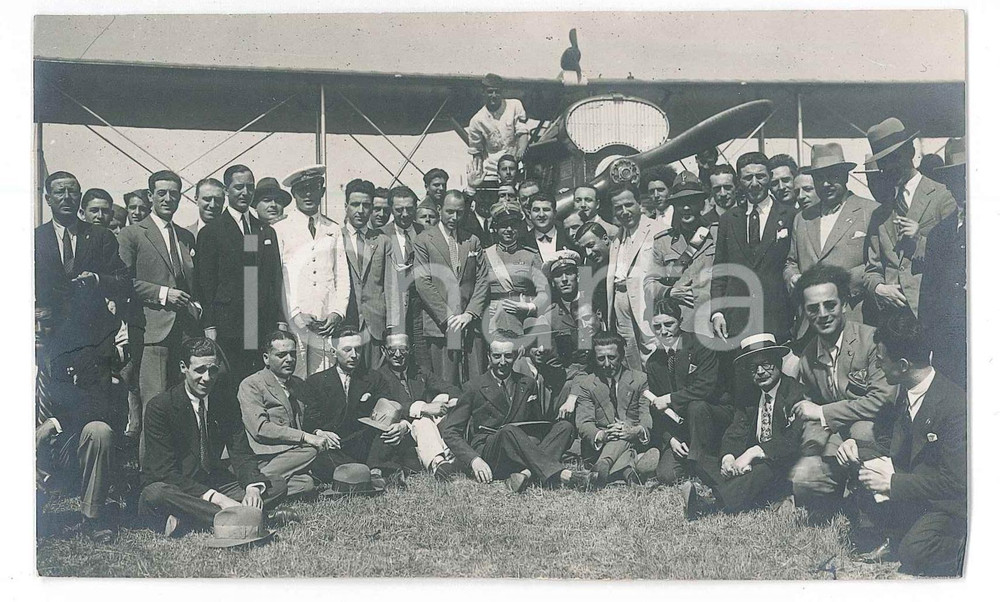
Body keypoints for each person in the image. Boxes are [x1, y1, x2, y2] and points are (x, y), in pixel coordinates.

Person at [839, 312, 966, 576]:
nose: (877, 364)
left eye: (881, 360)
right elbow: (894, 449)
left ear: (904, 366)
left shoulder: (954, 406)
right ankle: (894, 532)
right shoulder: (907, 391)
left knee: (914, 553)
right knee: (861, 457)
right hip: (919, 492)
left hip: (948, 505)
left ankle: (972, 547)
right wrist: (855, 449)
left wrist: (893, 483)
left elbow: (956, 484)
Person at [139, 337, 290, 536]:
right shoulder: (160, 407)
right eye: (200, 370)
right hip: (176, 488)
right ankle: (252, 517)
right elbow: (164, 472)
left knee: (277, 484)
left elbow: (241, 452)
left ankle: (191, 520)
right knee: (155, 494)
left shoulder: (225, 401)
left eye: (213, 370)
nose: (207, 378)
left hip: (212, 483)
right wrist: (216, 498)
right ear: (184, 367)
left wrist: (253, 487)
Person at [787, 264, 895, 521]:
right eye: (813, 308)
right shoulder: (809, 356)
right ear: (805, 312)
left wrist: (824, 412)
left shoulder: (871, 341)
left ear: (844, 304)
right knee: (804, 485)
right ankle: (843, 490)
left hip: (881, 434)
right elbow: (811, 410)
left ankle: (871, 506)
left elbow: (881, 400)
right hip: (839, 436)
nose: (823, 314)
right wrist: (811, 453)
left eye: (830, 305)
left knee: (861, 431)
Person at [439, 336, 589, 493]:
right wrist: (474, 460)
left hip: (521, 449)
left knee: (565, 427)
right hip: (492, 452)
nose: (503, 362)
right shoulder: (473, 387)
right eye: (497, 356)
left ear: (516, 356)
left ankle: (524, 475)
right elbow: (450, 432)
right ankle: (564, 475)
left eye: (508, 356)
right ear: (488, 357)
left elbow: (535, 422)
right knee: (508, 431)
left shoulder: (527, 383)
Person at [682, 332, 806, 517]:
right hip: (753, 465)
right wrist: (729, 458)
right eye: (753, 367)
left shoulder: (794, 392)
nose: (761, 372)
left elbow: (792, 441)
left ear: (778, 363)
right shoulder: (750, 395)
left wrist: (753, 453)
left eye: (766, 364)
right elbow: (736, 431)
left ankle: (707, 503)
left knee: (763, 470)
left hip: (782, 463)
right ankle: (743, 489)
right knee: (702, 459)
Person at [118, 170, 202, 430]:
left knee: (184, 407)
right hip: (153, 332)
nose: (168, 199)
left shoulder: (185, 236)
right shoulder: (132, 234)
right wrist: (164, 294)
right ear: (150, 195)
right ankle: (152, 471)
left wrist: (195, 305)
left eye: (174, 194)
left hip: (185, 334)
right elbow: (123, 283)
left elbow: (190, 281)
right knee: (154, 407)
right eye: (162, 193)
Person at [35, 304, 117, 542]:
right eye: (34, 322)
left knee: (99, 431)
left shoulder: (76, 354)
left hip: (62, 448)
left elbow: (99, 403)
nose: (39, 330)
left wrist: (54, 422)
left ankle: (93, 517)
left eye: (47, 323)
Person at [863, 117, 956, 321]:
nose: (889, 167)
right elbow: (871, 269)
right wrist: (879, 288)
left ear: (911, 152)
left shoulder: (942, 197)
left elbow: (954, 259)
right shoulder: (880, 214)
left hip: (931, 314)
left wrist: (920, 241)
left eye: (894, 158)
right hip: (892, 321)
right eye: (883, 162)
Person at [299, 329, 421, 484]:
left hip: (366, 445)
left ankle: (372, 472)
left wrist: (402, 425)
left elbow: (391, 407)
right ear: (334, 352)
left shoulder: (374, 378)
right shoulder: (316, 382)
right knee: (318, 455)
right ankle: (372, 473)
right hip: (335, 445)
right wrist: (320, 432)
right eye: (347, 350)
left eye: (358, 349)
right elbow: (310, 422)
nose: (354, 355)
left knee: (386, 436)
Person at [784, 144, 880, 331]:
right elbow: (791, 261)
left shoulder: (870, 211)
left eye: (832, 176)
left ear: (845, 176)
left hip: (855, 316)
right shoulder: (802, 218)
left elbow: (877, 264)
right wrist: (792, 276)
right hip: (811, 323)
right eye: (820, 178)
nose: (826, 184)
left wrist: (838, 283)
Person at [273, 164, 351, 378]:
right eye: (301, 190)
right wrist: (295, 314)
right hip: (295, 322)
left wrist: (337, 312)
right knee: (295, 378)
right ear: (293, 193)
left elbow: (341, 275)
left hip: (325, 322)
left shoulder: (332, 229)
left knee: (325, 380)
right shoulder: (280, 229)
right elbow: (280, 278)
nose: (308, 195)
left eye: (313, 188)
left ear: (322, 191)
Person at [711, 152, 797, 345]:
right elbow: (720, 270)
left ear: (769, 178)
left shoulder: (790, 216)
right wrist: (717, 312)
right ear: (739, 182)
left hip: (778, 319)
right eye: (748, 178)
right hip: (738, 320)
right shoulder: (728, 220)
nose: (755, 183)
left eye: (761, 176)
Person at [643, 297, 727, 485]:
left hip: (711, 417)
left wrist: (669, 398)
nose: (663, 331)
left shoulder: (702, 345)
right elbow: (656, 409)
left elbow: (705, 387)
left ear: (680, 322)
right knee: (667, 475)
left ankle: (703, 465)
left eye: (669, 324)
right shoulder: (653, 362)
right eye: (657, 327)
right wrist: (671, 439)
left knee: (696, 406)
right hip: (681, 428)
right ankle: (692, 461)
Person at [194, 165, 263, 388]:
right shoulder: (212, 231)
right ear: (227, 190)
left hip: (255, 325)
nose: (245, 193)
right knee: (228, 385)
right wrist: (210, 326)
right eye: (239, 187)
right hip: (226, 327)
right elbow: (206, 284)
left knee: (253, 383)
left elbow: (254, 274)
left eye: (250, 187)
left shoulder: (259, 229)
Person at [413, 190, 489, 384]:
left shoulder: (472, 241)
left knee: (476, 382)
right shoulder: (423, 240)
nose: (454, 217)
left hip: (470, 325)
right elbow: (423, 282)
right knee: (445, 384)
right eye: (449, 212)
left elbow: (482, 280)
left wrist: (470, 313)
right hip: (441, 326)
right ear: (439, 209)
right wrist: (448, 317)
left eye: (459, 212)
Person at [237, 331, 324, 497]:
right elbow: (260, 428)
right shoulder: (251, 384)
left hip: (291, 455)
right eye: (281, 355)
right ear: (266, 358)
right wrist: (305, 437)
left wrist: (318, 432)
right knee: (311, 450)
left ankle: (259, 486)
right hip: (263, 456)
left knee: (307, 484)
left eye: (292, 354)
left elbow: (307, 422)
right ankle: (255, 479)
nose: (289, 360)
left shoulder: (298, 384)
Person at [572, 332, 655, 488]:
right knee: (620, 438)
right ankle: (630, 473)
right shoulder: (587, 384)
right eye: (601, 358)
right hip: (602, 443)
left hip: (632, 437)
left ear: (622, 355)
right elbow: (584, 422)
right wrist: (602, 435)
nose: (607, 364)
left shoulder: (640, 379)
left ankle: (604, 465)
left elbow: (646, 415)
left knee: (623, 436)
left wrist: (635, 430)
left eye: (612, 357)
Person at [376, 333, 462, 480]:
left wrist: (448, 402)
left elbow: (451, 389)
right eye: (392, 350)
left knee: (443, 398)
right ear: (384, 350)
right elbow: (386, 407)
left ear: (411, 349)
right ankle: (439, 462)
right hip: (403, 431)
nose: (398, 354)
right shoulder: (379, 377)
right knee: (422, 419)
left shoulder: (419, 371)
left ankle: (448, 457)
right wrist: (422, 408)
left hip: (428, 431)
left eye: (403, 349)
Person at [645, 171, 717, 338]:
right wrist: (669, 292)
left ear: (701, 203)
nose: (685, 208)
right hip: (679, 325)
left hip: (711, 321)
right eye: (680, 203)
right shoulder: (663, 241)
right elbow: (649, 285)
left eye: (691, 202)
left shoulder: (717, 234)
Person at [919, 138, 967, 386]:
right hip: (949, 348)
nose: (965, 183)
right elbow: (929, 296)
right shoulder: (940, 233)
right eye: (957, 177)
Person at [341, 178, 398, 369]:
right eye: (355, 204)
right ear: (346, 206)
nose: (360, 210)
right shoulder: (334, 238)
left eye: (366, 205)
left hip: (375, 325)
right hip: (345, 324)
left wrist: (392, 326)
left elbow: (391, 288)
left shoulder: (383, 241)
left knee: (374, 380)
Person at [607, 186, 666, 370]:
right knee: (630, 354)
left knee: (653, 352)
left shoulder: (658, 229)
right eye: (618, 208)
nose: (624, 212)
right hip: (621, 305)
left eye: (628, 205)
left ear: (639, 204)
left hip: (647, 304)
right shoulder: (617, 236)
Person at [482, 200, 548, 341]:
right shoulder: (485, 256)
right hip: (493, 317)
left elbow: (544, 292)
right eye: (503, 225)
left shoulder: (531, 255)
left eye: (513, 225)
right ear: (495, 228)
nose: (509, 230)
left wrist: (529, 307)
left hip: (521, 317)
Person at [467, 73, 529, 183]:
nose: (494, 95)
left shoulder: (515, 105)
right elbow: (476, 152)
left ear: (502, 92)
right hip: (491, 173)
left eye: (497, 91)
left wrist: (520, 152)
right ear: (483, 92)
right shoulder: (476, 120)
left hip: (514, 169)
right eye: (490, 92)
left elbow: (522, 131)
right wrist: (478, 176)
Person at [382, 186, 424, 341]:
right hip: (394, 306)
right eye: (399, 210)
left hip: (421, 308)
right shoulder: (381, 234)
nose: (405, 214)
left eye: (409, 209)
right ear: (391, 209)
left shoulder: (426, 232)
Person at [522, 194, 573, 264]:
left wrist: (586, 275)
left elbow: (585, 271)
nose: (541, 214)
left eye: (546, 210)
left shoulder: (570, 240)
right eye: (536, 210)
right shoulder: (522, 243)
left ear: (554, 213)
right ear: (529, 214)